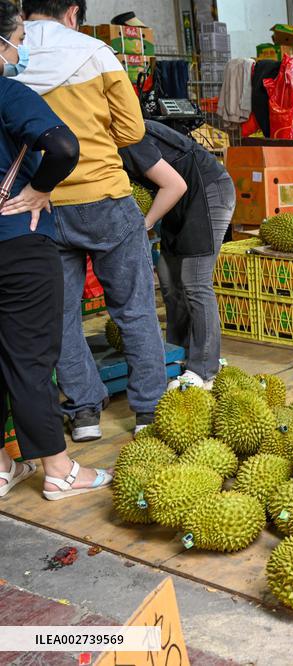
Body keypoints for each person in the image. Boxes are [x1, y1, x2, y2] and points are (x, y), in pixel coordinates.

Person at [18, 0, 166, 440]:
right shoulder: (95, 52)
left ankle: (83, 413)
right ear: (72, 11)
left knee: (60, 316)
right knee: (135, 309)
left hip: (42, 201)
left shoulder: (12, 60)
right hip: (104, 196)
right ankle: (148, 411)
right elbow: (132, 131)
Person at [0, 1, 111, 500]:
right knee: (29, 360)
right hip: (17, 244)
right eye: (18, 40)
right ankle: (60, 471)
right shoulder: (9, 92)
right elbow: (63, 147)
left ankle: (3, 467)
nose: (20, 49)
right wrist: (41, 188)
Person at [119, 120, 235, 391]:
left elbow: (176, 185)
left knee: (195, 281)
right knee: (170, 281)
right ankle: (179, 356)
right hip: (176, 203)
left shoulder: (128, 137)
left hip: (207, 192)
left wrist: (144, 225)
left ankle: (205, 369)